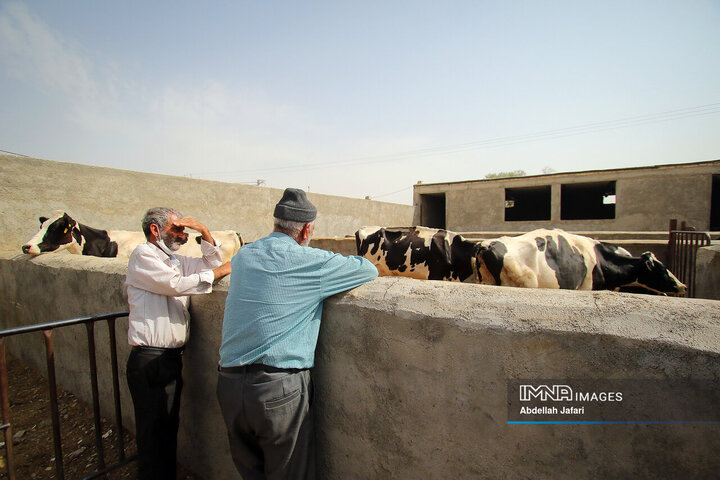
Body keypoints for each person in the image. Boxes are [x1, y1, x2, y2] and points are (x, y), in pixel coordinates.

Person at [217, 188, 378, 480]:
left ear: (276, 223)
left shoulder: (244, 256)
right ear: (307, 229)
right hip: (276, 392)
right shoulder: (308, 261)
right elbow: (367, 269)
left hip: (229, 384)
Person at [125, 207, 231, 480]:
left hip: (170, 360)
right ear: (155, 229)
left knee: (167, 429)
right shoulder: (144, 255)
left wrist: (205, 231)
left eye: (185, 229)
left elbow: (207, 264)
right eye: (177, 228)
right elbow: (176, 284)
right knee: (152, 435)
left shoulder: (173, 259)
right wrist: (222, 273)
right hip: (150, 361)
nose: (183, 233)